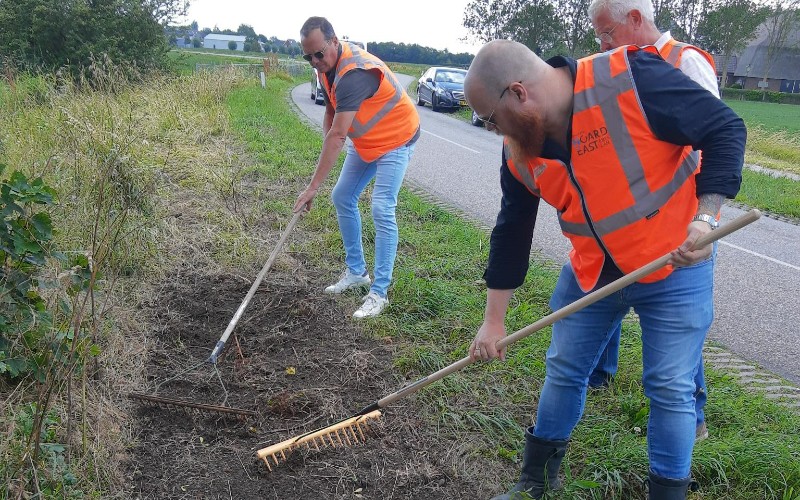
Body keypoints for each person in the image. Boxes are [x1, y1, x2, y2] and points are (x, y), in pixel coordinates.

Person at [464, 40, 744, 499]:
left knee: (671, 387)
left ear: (518, 93)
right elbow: (512, 227)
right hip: (593, 271)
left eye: (491, 120)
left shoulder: (631, 79)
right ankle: (534, 482)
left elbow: (724, 129)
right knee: (564, 368)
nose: (494, 131)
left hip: (673, 262)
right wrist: (493, 321)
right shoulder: (521, 148)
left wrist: (706, 218)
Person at [587, 0, 720, 443]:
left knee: (675, 321)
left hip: (680, 225)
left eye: (607, 33)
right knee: (625, 301)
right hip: (637, 222)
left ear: (636, 20)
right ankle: (605, 375)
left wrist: (704, 222)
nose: (603, 44)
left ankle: (692, 415)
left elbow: (714, 143)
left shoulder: (684, 63)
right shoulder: (619, 68)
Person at [293, 17, 419, 318]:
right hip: (368, 142)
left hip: (397, 139)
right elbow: (331, 114)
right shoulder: (327, 69)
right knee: (343, 196)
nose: (314, 61)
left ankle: (379, 292)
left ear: (334, 42)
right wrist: (326, 149)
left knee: (381, 208)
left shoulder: (354, 74)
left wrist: (313, 187)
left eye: (319, 54)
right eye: (307, 56)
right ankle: (357, 272)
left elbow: (338, 136)